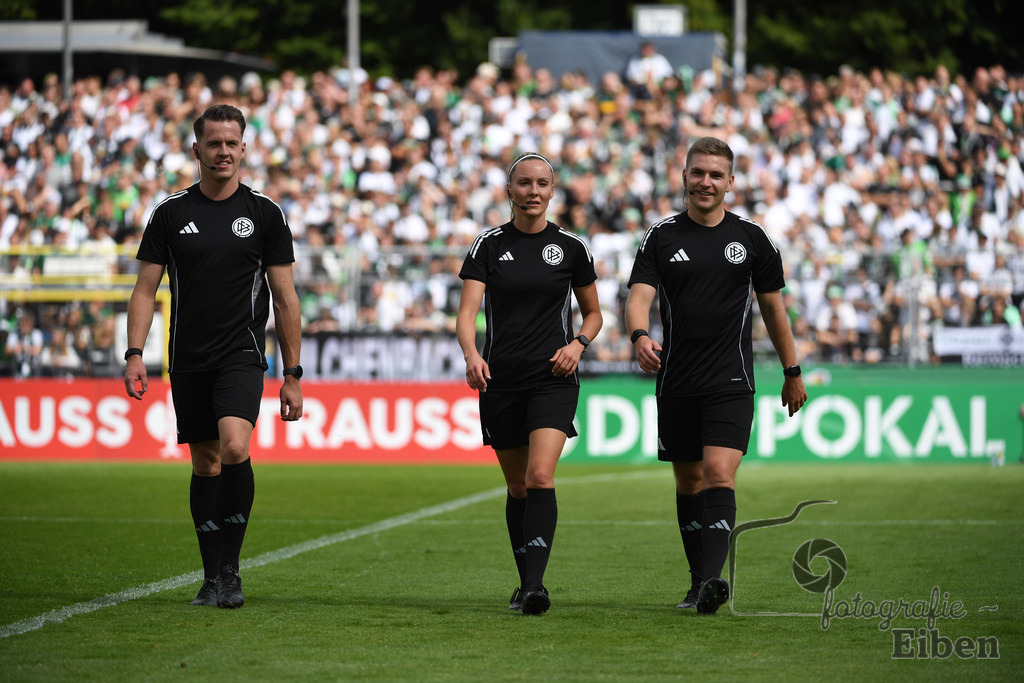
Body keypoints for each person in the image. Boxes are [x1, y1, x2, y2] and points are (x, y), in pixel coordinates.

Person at [123, 104, 304, 609]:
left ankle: (231, 570)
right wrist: (134, 353)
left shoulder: (265, 214)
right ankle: (210, 577)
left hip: (242, 355)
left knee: (234, 449)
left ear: (244, 149)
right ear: (196, 149)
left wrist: (293, 374)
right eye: (214, 143)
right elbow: (143, 290)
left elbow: (286, 299)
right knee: (204, 465)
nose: (223, 152)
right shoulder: (170, 213)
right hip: (187, 360)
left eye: (232, 143)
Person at [625, 137, 807, 615]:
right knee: (688, 483)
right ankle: (696, 581)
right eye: (697, 172)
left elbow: (773, 308)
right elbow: (639, 296)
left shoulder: (751, 238)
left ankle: (710, 582)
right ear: (684, 177)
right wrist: (640, 335)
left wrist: (793, 371)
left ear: (730, 182)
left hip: (731, 381)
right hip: (676, 380)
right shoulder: (660, 236)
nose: (705, 182)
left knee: (719, 474)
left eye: (715, 174)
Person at [456, 152, 602, 615]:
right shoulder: (487, 244)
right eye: (524, 183)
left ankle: (536, 586)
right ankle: (525, 581)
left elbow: (594, 313)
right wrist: (472, 354)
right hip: (500, 381)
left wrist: (577, 344)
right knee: (517, 486)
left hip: (553, 379)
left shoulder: (572, 248)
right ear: (509, 190)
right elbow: (466, 315)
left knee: (540, 475)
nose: (533, 191)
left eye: (542, 183)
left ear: (553, 190)